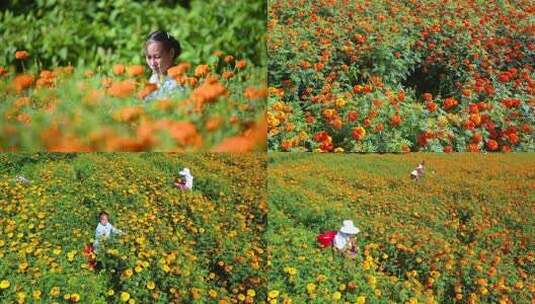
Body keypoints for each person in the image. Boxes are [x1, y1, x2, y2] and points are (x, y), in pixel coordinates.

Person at [143, 30, 185, 101]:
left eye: (157, 57)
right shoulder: (154, 78)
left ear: (171, 53)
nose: (152, 63)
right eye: (149, 57)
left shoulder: (180, 82)